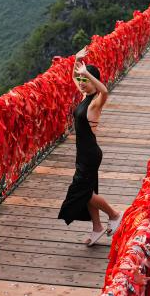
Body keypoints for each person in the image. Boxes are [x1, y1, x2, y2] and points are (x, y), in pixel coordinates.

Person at [57, 51, 123, 245]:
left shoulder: (95, 102)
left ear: (93, 81)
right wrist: (77, 61)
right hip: (83, 154)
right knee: (88, 191)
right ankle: (97, 228)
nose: (82, 83)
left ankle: (114, 214)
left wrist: (88, 73)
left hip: (90, 155)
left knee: (82, 192)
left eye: (85, 80)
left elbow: (105, 91)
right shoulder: (85, 97)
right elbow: (73, 77)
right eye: (81, 80)